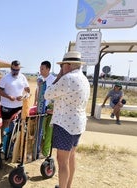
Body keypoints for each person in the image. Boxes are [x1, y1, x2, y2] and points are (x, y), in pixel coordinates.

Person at [44, 51, 90, 188]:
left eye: (62, 66)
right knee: (71, 157)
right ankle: (67, 186)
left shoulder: (67, 78)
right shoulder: (84, 79)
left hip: (65, 125)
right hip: (78, 123)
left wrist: (58, 76)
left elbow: (48, 94)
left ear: (68, 65)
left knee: (62, 160)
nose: (61, 69)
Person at [0, 60, 30, 144]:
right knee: (6, 124)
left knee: (18, 124)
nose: (15, 72)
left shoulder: (22, 77)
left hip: (19, 106)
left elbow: (27, 90)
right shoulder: (5, 78)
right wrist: (8, 96)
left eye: (17, 70)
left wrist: (22, 96)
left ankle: (13, 144)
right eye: (13, 69)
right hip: (7, 106)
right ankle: (3, 143)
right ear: (11, 68)